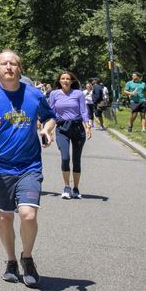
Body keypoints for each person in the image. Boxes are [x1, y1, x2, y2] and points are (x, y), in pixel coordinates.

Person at [0, 50, 56, 289]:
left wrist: (47, 130)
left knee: (28, 214)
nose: (8, 67)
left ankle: (27, 258)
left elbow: (50, 117)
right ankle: (10, 261)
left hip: (29, 165)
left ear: (19, 68)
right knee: (5, 218)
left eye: (13, 63)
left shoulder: (34, 95)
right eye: (4, 63)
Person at [48, 71, 92, 199]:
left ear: (72, 81)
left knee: (76, 160)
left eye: (68, 79)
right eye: (63, 78)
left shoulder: (78, 94)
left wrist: (87, 126)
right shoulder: (54, 94)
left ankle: (76, 188)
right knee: (65, 157)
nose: (65, 80)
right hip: (62, 128)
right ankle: (67, 187)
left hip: (77, 128)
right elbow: (51, 113)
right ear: (59, 81)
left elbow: (83, 111)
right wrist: (49, 129)